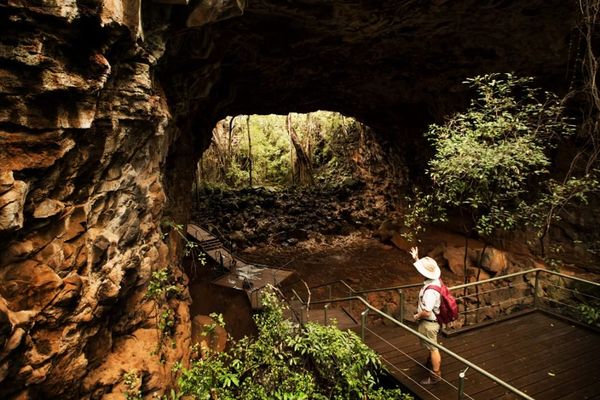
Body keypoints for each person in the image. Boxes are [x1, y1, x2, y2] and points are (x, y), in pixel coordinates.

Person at [410, 246, 442, 385]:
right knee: (431, 346)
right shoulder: (436, 281)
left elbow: (427, 311)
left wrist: (417, 316)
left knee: (434, 348)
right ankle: (430, 362)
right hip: (435, 320)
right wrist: (416, 258)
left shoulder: (430, 292)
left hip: (430, 323)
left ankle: (435, 375)